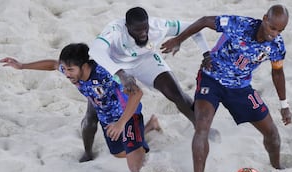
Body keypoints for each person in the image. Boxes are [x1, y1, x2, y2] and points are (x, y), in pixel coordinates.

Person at [160, 4, 292, 172]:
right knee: (202, 126)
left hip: (241, 88)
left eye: (280, 30)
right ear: (265, 19)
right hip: (211, 79)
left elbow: (278, 73)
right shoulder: (239, 24)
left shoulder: (277, 46)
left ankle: (277, 168)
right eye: (273, 27)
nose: (275, 33)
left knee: (272, 133)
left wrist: (284, 105)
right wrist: (178, 40)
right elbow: (205, 20)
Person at [0, 43, 161, 172]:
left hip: (128, 115)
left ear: (84, 66)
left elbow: (137, 93)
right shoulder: (69, 68)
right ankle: (150, 125)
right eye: (65, 69)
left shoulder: (105, 74)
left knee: (135, 168)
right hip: (106, 116)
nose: (67, 74)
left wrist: (120, 124)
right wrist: (22, 66)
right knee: (118, 153)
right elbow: (53, 64)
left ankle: (140, 138)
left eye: (70, 70)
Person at [85, 7, 215, 161]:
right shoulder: (115, 29)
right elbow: (95, 51)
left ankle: (200, 126)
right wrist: (120, 73)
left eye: (145, 29)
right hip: (116, 66)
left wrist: (205, 53)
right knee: (92, 113)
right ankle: (88, 152)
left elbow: (196, 27)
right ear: (127, 27)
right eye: (137, 30)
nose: (143, 33)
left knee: (176, 93)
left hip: (145, 60)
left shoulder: (158, 25)